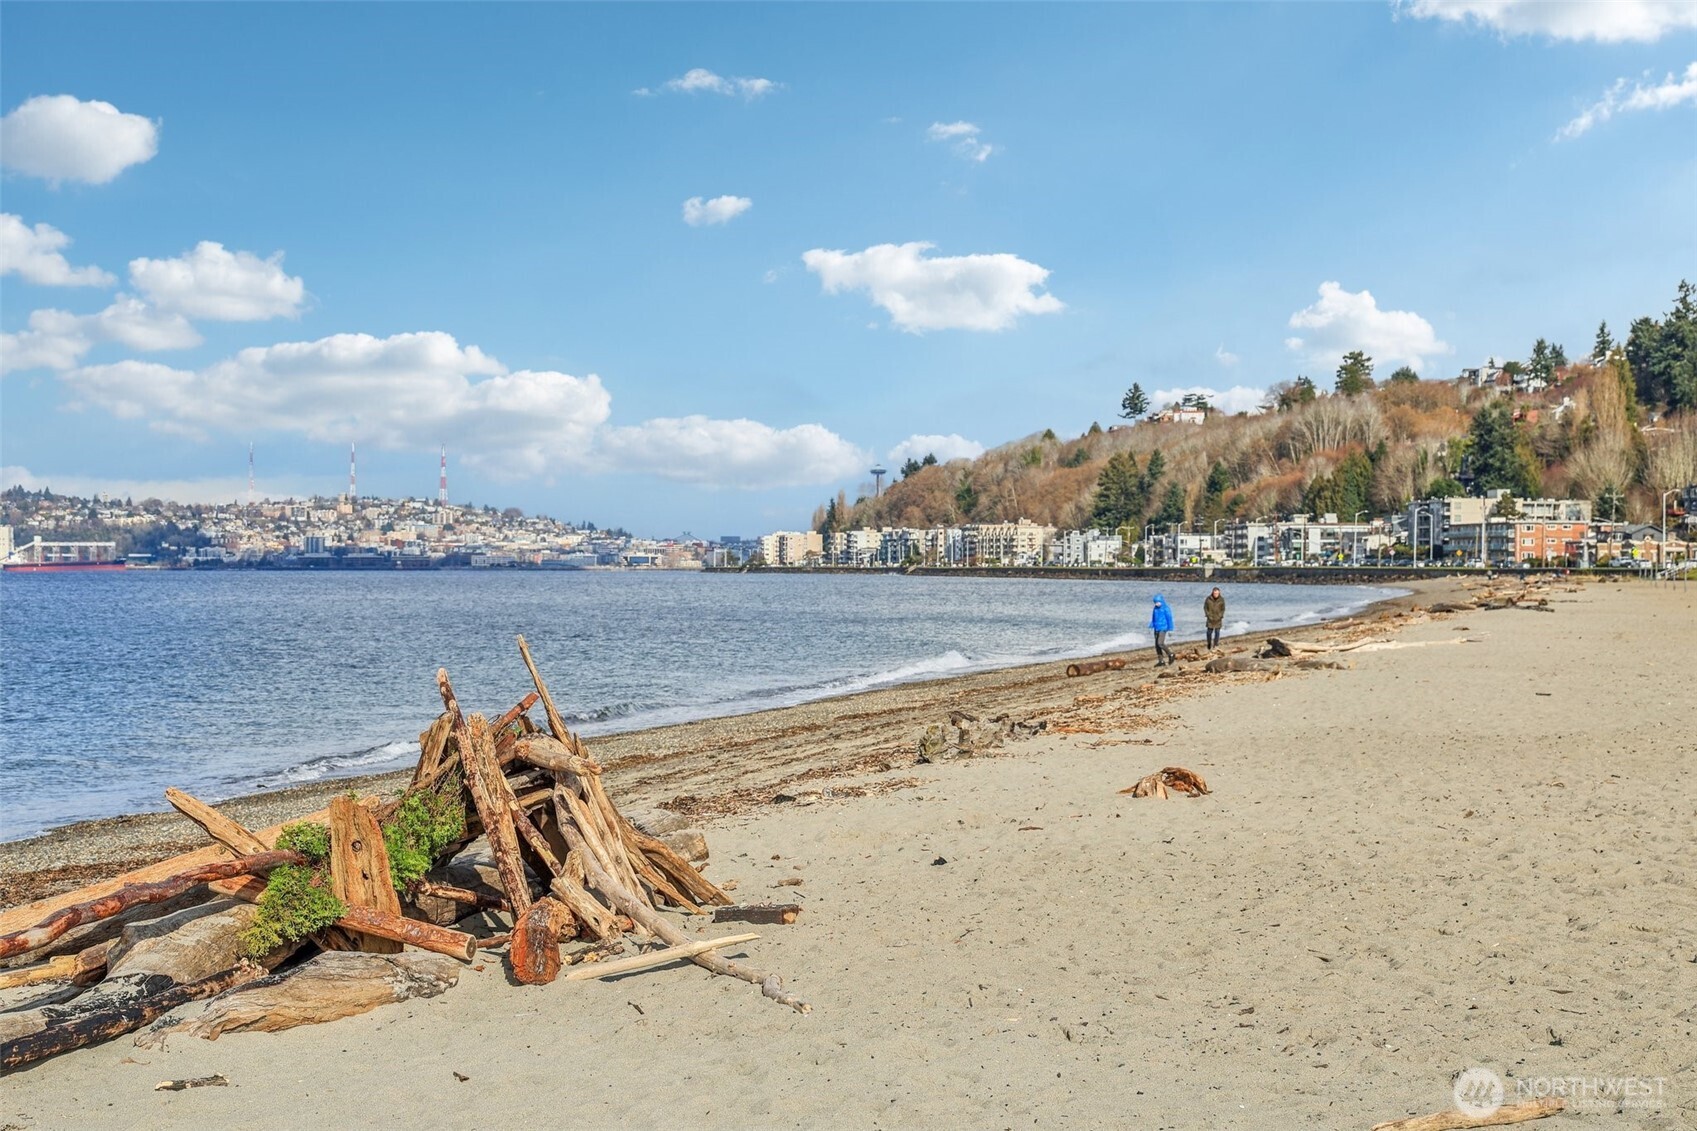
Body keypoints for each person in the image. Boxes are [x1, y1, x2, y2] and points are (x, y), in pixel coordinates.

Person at [1150, 593, 1176, 666]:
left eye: (1158, 602)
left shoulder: (1166, 608)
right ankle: (1161, 661)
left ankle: (1170, 654)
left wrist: (1170, 629)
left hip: (1163, 628)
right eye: (1155, 602)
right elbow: (1153, 617)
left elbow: (1169, 619)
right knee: (1157, 645)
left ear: (1161, 601)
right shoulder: (1155, 608)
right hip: (1156, 628)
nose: (1157, 604)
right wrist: (1151, 625)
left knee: (1160, 643)